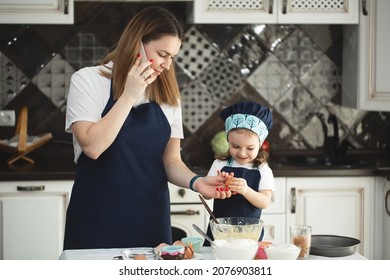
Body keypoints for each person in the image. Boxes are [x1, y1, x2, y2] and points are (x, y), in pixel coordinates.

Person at [63, 6, 229, 250]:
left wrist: (197, 182)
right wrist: (129, 95)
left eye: (172, 57)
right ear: (136, 43)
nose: (167, 65)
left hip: (150, 218)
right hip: (96, 216)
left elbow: (171, 161)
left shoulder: (167, 95)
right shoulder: (88, 80)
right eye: (162, 54)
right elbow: (93, 146)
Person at [205, 101, 275, 245]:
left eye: (250, 148)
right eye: (235, 146)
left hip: (248, 236)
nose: (242, 153)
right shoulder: (220, 164)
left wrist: (245, 190)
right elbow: (205, 193)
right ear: (228, 142)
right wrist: (217, 183)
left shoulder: (262, 169)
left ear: (260, 145)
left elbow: (264, 202)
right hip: (219, 233)